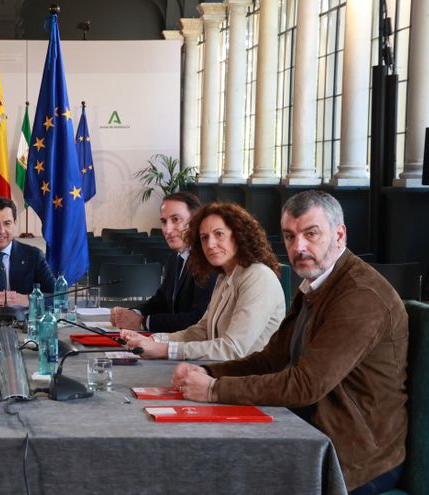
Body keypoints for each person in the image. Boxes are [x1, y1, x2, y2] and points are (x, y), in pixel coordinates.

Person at [172, 190, 408, 493]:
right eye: (289, 236)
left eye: (311, 234)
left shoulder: (360, 295)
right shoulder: (316, 283)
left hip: (355, 457)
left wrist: (214, 390)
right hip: (310, 429)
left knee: (218, 470)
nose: (299, 247)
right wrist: (208, 372)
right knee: (204, 457)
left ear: (339, 235)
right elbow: (272, 358)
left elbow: (306, 385)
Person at [121, 202, 285, 360]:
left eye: (219, 234)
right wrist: (153, 340)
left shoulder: (258, 276)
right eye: (204, 238)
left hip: (253, 376)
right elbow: (202, 331)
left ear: (239, 236)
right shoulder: (224, 276)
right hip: (228, 371)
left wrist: (164, 350)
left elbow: (233, 349)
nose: (210, 244)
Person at [110, 192, 216, 332]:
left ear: (196, 221)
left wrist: (142, 322)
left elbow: (198, 319)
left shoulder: (207, 261)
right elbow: (161, 301)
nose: (167, 229)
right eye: (164, 222)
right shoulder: (175, 258)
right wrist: (132, 313)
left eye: (176, 219)